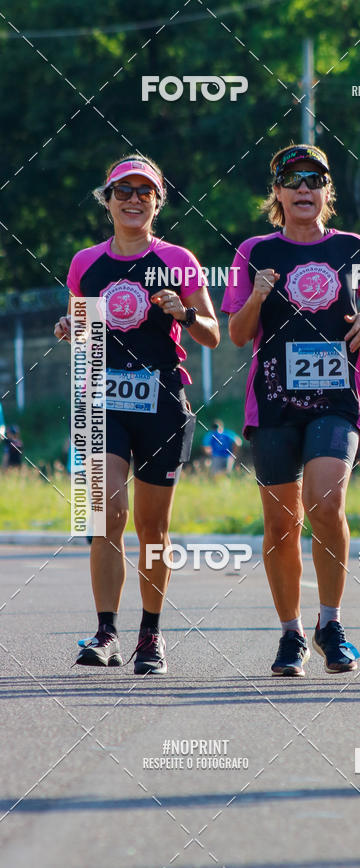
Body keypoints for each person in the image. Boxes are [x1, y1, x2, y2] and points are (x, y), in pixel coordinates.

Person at [223, 143, 360, 677]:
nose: (303, 188)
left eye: (314, 179)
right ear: (276, 192)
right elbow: (237, 333)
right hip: (273, 402)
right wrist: (257, 295)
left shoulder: (352, 246)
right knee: (280, 523)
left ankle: (332, 622)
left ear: (326, 192)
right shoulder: (255, 251)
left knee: (326, 502)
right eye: (291, 180)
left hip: (337, 400)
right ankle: (291, 634)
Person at [54, 154, 219, 674]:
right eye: (122, 191)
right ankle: (106, 633)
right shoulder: (86, 263)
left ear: (157, 202)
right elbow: (83, 329)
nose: (132, 199)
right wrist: (69, 327)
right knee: (103, 513)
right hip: (100, 401)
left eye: (143, 192)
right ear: (107, 202)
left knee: (153, 528)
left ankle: (150, 634)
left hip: (162, 404)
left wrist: (183, 312)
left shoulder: (178, 259)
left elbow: (213, 332)